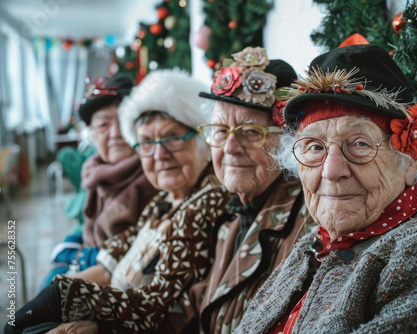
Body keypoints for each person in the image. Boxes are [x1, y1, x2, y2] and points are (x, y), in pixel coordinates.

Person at [234, 44, 417, 333]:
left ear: (410, 162)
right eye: (313, 146)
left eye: (359, 143)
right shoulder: (315, 243)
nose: (332, 171)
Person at [4, 70, 231, 334]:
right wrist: (58, 291)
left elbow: (152, 310)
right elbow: (110, 259)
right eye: (147, 142)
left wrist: (68, 300)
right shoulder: (165, 199)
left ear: (202, 141)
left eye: (172, 138)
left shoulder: (205, 202)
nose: (160, 154)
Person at [161, 47, 314, 334]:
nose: (230, 148)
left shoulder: (306, 225)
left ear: (286, 144)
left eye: (251, 132)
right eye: (220, 131)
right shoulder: (234, 209)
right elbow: (202, 302)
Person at [44, 74, 158, 284]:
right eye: (104, 125)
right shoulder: (95, 170)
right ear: (93, 133)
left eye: (124, 122)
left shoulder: (154, 172)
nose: (115, 133)